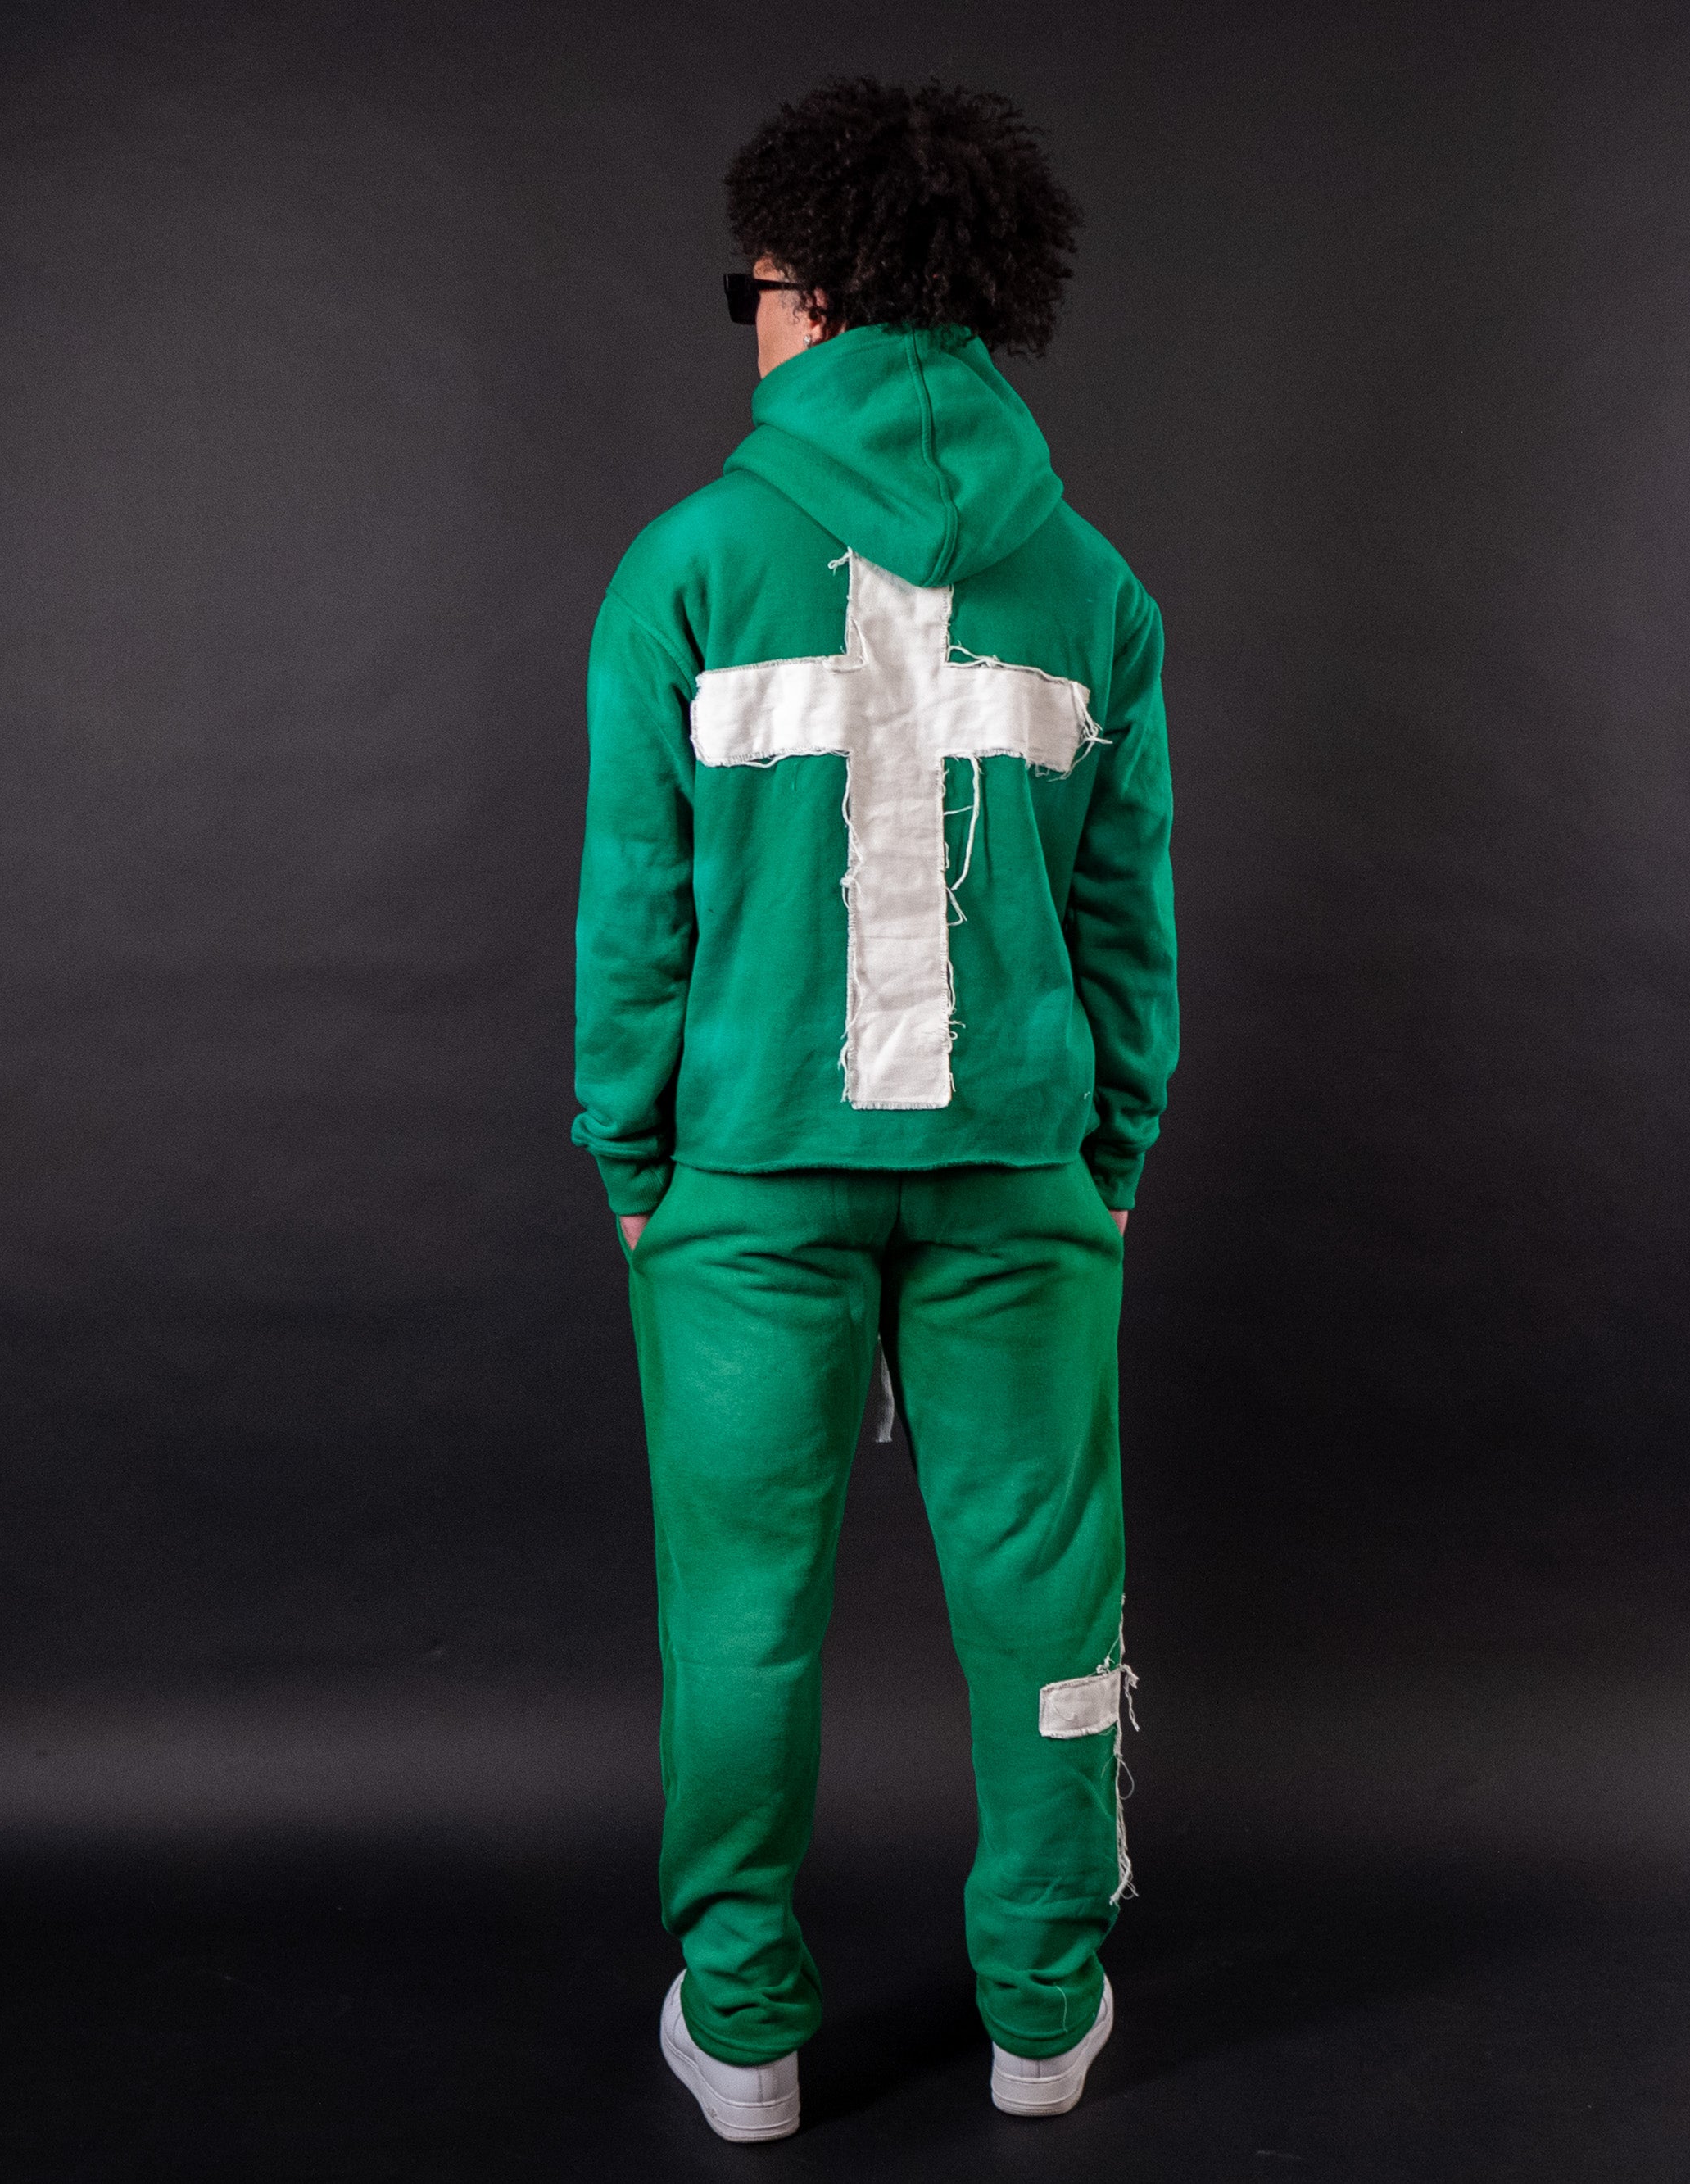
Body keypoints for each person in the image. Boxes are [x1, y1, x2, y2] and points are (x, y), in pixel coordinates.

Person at [570, 75, 1177, 2141]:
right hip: (1021, 1175)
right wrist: (1107, 1152)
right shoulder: (1093, 587)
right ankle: (1042, 2015)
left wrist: (633, 1159)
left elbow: (635, 909)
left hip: (745, 1179)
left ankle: (746, 2030)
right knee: (1044, 1594)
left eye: (749, 289)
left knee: (741, 1610)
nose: (745, 321)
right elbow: (1127, 918)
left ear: (811, 290)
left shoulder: (682, 566)